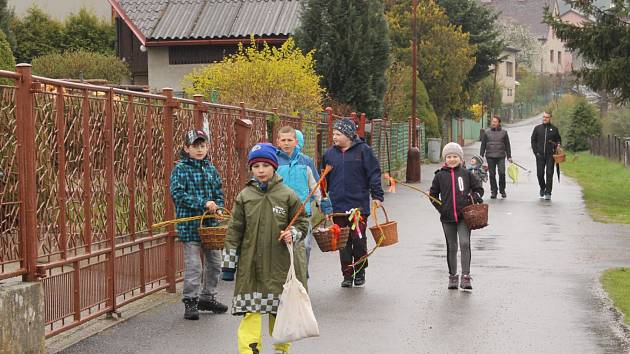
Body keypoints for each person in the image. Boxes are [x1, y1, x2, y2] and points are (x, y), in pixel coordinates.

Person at [222, 143, 310, 354]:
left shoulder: (287, 195)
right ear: (251, 169)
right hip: (250, 267)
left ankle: (282, 347)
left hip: (279, 267)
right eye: (256, 166)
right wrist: (228, 266)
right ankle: (249, 350)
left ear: (274, 167)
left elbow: (302, 223)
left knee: (278, 311)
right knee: (250, 312)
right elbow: (234, 230)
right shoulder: (244, 196)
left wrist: (293, 234)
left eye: (265, 165)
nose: (260, 170)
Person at [169, 129, 228, 320]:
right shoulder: (180, 169)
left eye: (203, 146)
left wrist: (218, 208)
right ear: (186, 148)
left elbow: (218, 193)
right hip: (190, 228)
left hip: (210, 226)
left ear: (207, 147)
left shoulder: (211, 169)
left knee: (216, 264)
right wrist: (202, 203)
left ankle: (207, 297)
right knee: (195, 266)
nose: (200, 149)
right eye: (195, 146)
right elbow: (178, 195)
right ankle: (191, 301)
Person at [322, 118, 384, 288]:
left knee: (358, 239)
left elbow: (373, 173)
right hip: (338, 207)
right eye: (333, 133)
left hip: (358, 206)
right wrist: (325, 201)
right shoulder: (329, 155)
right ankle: (347, 274)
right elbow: (323, 181)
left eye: (338, 134)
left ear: (349, 135)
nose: (334, 137)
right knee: (343, 241)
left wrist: (377, 195)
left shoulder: (363, 151)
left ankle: (360, 271)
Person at [276, 126, 333, 274]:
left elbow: (317, 186)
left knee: (305, 246)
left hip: (303, 213)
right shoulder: (273, 162)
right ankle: (285, 279)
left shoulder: (306, 162)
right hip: (280, 213)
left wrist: (325, 207)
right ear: (278, 141)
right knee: (282, 249)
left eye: (290, 140)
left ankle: (302, 274)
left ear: (296, 142)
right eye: (283, 140)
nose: (286, 143)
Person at [430, 142, 484, 290]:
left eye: (455, 156)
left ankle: (466, 277)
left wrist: (474, 197)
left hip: (464, 217)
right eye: (449, 156)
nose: (452, 159)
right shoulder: (439, 176)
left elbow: (479, 189)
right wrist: (441, 208)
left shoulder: (467, 174)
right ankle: (453, 276)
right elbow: (433, 195)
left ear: (460, 158)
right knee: (452, 246)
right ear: (445, 159)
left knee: (465, 244)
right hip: (447, 218)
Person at [531, 112, 562, 200]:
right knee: (539, 174)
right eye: (544, 117)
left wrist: (558, 144)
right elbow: (533, 140)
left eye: (547, 117)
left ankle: (548, 192)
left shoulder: (554, 129)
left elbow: (558, 139)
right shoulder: (537, 128)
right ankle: (542, 187)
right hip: (540, 155)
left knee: (549, 173)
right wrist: (536, 152)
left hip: (550, 155)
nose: (545, 118)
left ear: (550, 118)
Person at [480, 116, 512, 199]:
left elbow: (507, 145)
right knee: (492, 174)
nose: (493, 123)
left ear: (499, 123)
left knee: (502, 173)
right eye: (492, 121)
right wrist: (481, 156)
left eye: (495, 122)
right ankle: (494, 191)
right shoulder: (486, 133)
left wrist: (509, 156)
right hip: (490, 156)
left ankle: (502, 190)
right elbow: (483, 145)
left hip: (501, 156)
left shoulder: (504, 132)